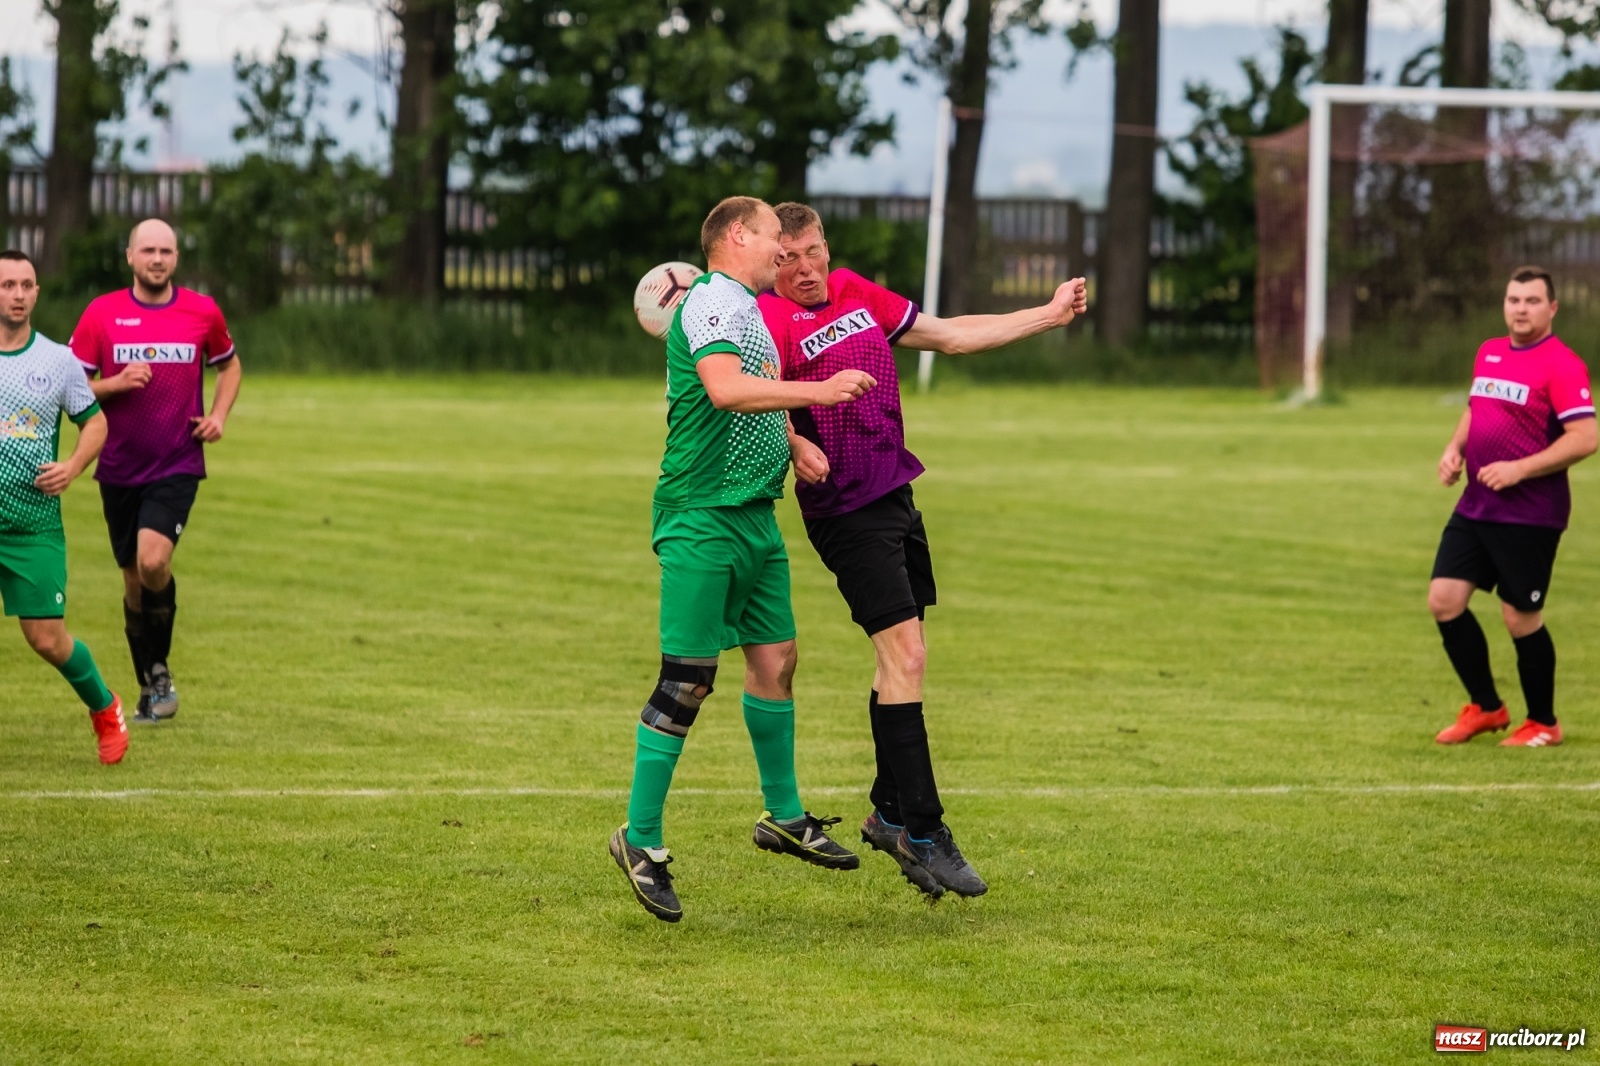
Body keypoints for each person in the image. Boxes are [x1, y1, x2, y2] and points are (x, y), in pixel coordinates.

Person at [758, 202, 1087, 899]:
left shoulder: (853, 288)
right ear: (768, 260)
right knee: (906, 655)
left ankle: (887, 810)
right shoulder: (768, 319)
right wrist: (793, 439)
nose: (806, 268)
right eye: (788, 258)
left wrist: (1046, 314)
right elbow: (742, 391)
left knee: (898, 662)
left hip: (898, 498)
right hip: (844, 512)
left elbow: (950, 336)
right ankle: (924, 831)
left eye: (813, 250)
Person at [609, 196, 879, 923]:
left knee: (777, 659)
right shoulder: (714, 305)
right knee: (688, 681)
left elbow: (733, 390)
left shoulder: (743, 305)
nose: (784, 252)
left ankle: (784, 816)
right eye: (771, 238)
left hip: (755, 515)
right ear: (737, 236)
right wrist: (818, 393)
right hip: (702, 515)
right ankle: (639, 839)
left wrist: (792, 442)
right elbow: (726, 389)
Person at [70, 219, 241, 722]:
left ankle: (160, 670)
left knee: (151, 562)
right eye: (148, 250)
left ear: (176, 257)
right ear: (130, 257)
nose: (158, 259)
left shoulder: (201, 311)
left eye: (166, 250)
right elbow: (73, 387)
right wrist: (116, 382)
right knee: (131, 580)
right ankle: (150, 685)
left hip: (177, 462)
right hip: (119, 467)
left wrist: (218, 416)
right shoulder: (103, 315)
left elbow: (229, 364)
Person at [1430, 266, 1596, 748]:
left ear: (1552, 308)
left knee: (1519, 618)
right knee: (1444, 600)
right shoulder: (1490, 351)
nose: (1520, 309)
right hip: (1476, 505)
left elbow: (1586, 438)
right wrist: (1454, 449)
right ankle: (1486, 708)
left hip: (1530, 514)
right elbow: (1475, 408)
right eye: (1513, 299)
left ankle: (1543, 723)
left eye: (1531, 300)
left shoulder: (1562, 365)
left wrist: (1520, 469)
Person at [0, 250, 126, 764]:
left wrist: (73, 466)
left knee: (48, 640)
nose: (18, 294)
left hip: (32, 525)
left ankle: (105, 707)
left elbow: (94, 422)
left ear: (36, 293)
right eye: (8, 284)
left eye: (27, 284)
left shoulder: (56, 360)